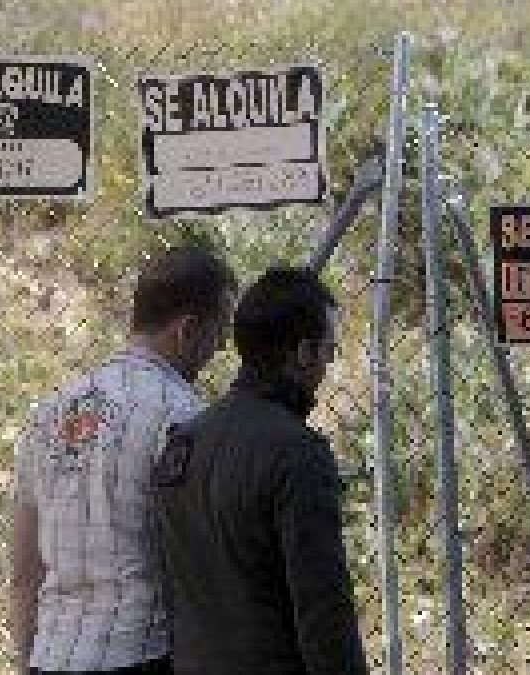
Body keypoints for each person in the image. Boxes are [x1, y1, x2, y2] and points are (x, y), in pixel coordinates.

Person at [10, 246, 238, 674]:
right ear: (187, 330)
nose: (221, 347)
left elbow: (25, 572)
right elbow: (203, 566)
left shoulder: (48, 415)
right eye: (219, 332)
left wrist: (27, 663)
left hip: (52, 656)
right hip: (141, 652)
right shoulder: (182, 416)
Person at [152, 266, 368, 674]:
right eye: (327, 350)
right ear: (303, 354)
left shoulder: (183, 443)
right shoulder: (297, 453)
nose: (327, 366)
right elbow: (323, 610)